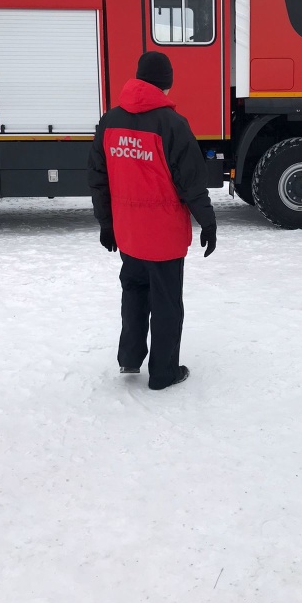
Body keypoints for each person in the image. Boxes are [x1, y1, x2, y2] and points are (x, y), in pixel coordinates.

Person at [88, 51, 216, 390]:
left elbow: (99, 177)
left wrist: (106, 222)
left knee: (134, 293)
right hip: (163, 236)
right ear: (166, 84)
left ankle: (130, 358)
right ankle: (163, 374)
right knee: (166, 304)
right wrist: (209, 222)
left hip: (128, 233)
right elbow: (191, 182)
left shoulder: (109, 121)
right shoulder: (173, 124)